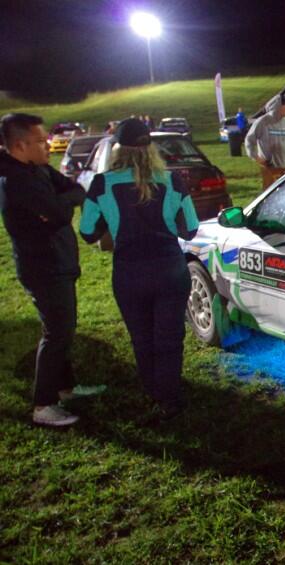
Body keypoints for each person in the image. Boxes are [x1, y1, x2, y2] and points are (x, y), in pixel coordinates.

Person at [79, 118, 198, 421]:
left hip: (130, 272)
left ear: (117, 149)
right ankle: (170, 397)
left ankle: (153, 392)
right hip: (170, 269)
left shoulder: (102, 183)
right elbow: (191, 230)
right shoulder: (172, 180)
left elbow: (88, 231)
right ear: (150, 147)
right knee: (170, 337)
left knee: (142, 338)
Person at [0, 113, 105, 427]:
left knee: (65, 329)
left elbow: (74, 191)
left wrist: (61, 201)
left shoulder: (38, 169)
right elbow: (59, 214)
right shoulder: (15, 181)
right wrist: (60, 203)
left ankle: (65, 388)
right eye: (41, 141)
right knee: (56, 332)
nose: (48, 145)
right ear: (20, 145)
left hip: (59, 261)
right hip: (42, 267)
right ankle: (43, 404)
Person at [245, 93, 285, 189]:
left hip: (284, 167)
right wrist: (256, 157)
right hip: (269, 168)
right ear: (278, 106)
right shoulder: (262, 122)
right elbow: (249, 140)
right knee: (270, 196)